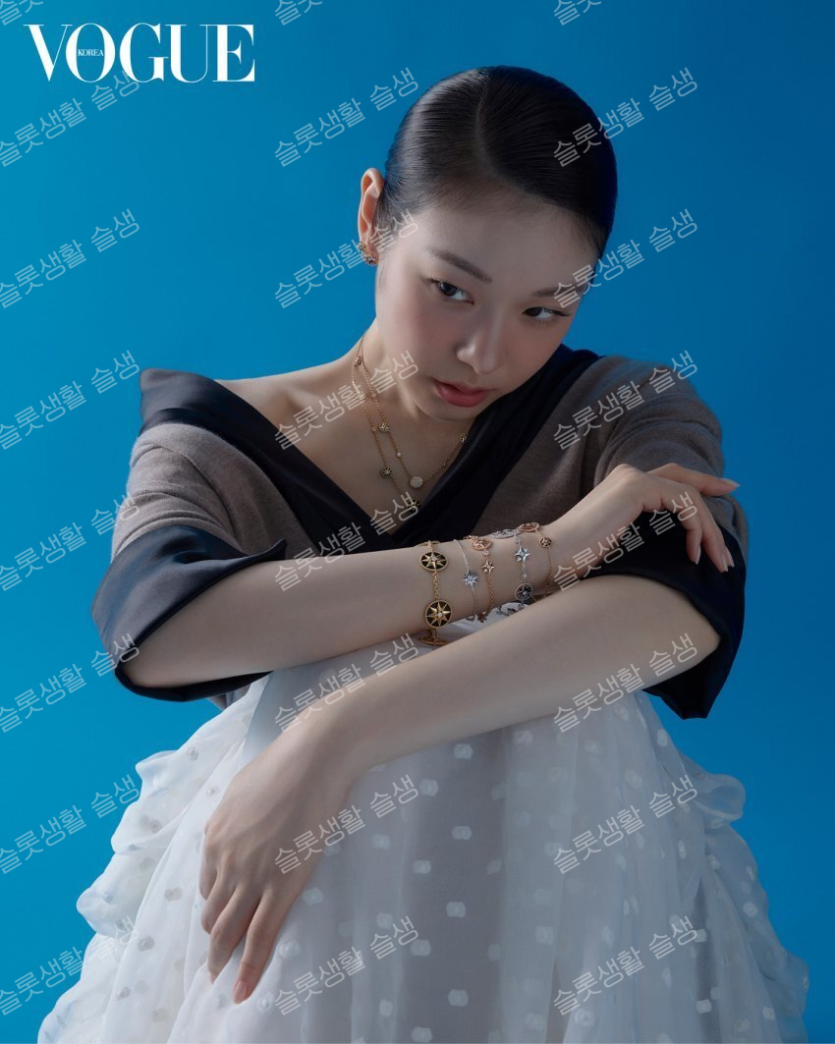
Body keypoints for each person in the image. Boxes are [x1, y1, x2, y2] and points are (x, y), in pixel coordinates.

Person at [38, 65, 809, 1044]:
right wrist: (546, 551)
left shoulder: (620, 413)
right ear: (372, 218)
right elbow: (160, 631)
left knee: (570, 715)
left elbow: (676, 611)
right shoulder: (217, 436)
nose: (485, 353)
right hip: (304, 904)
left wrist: (340, 736)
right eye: (450, 290)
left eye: (544, 310)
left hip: (557, 898)